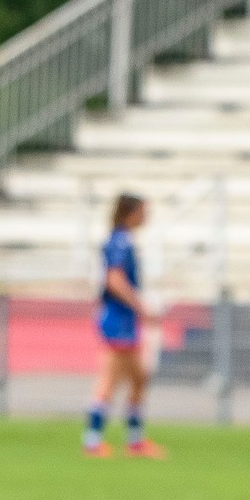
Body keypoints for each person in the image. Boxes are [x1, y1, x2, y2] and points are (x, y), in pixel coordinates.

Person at [85, 194, 167, 459]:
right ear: (130, 213)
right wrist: (140, 306)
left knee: (139, 379)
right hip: (118, 320)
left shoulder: (122, 241)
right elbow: (115, 280)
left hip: (124, 320)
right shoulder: (120, 242)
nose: (146, 217)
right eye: (143, 211)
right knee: (109, 380)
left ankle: (134, 440)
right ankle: (93, 441)